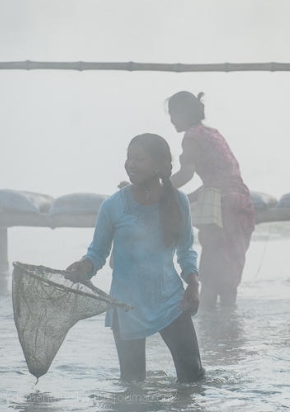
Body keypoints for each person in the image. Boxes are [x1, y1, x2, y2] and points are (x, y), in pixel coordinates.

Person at [66, 134, 205, 383]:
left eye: (139, 158)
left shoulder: (178, 201)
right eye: (128, 158)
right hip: (126, 305)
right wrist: (83, 266)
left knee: (193, 377)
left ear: (158, 164)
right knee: (132, 386)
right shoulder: (112, 206)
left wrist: (193, 285)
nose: (130, 164)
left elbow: (186, 251)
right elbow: (97, 253)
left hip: (170, 300)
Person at [166, 91, 255, 308]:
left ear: (182, 113)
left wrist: (156, 189)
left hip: (223, 209)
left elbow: (186, 174)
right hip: (242, 204)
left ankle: (209, 333)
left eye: (173, 114)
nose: (171, 120)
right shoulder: (212, 133)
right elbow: (218, 181)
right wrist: (183, 198)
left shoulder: (192, 136)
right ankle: (227, 332)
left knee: (211, 280)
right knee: (228, 278)